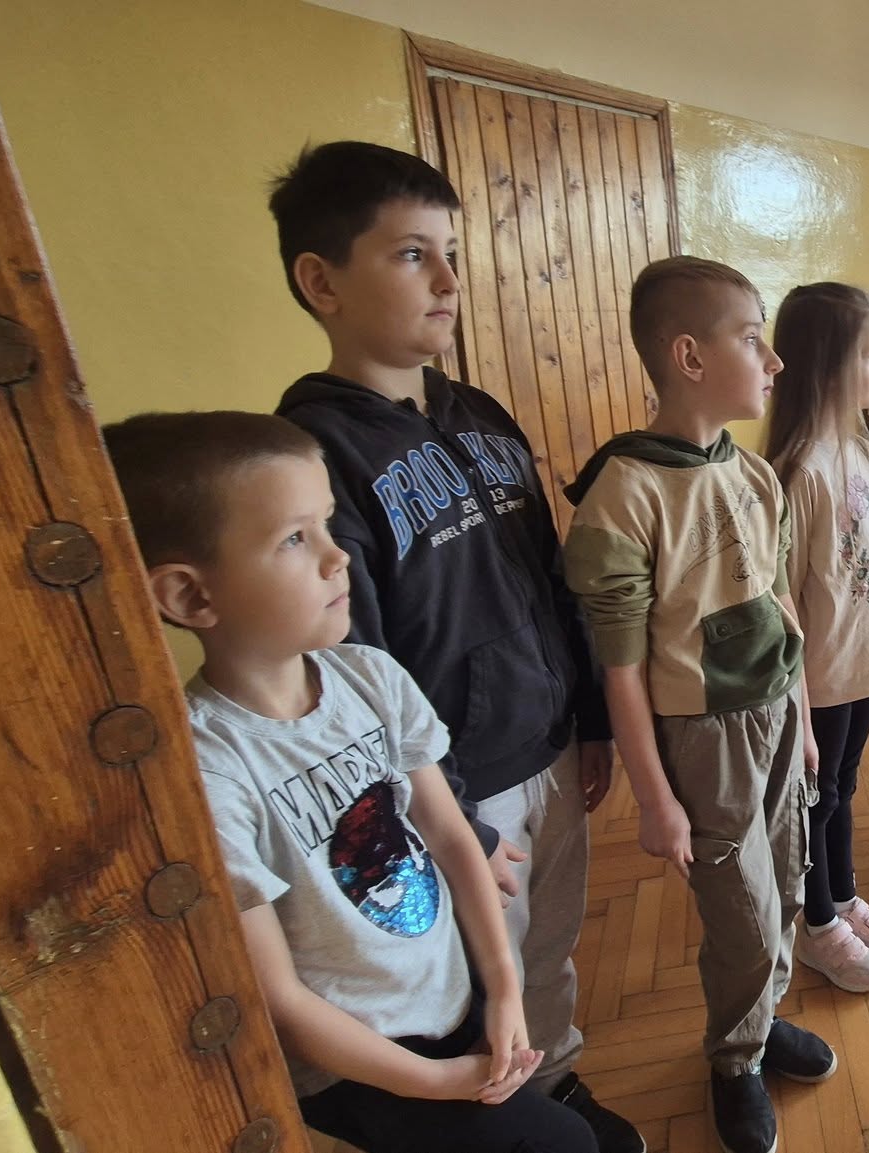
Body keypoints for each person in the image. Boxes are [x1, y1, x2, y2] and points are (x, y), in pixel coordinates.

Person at [265, 141, 638, 1151]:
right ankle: (500, 1107)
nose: (447, 279)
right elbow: (351, 663)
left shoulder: (480, 414)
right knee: (477, 976)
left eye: (452, 253)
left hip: (549, 743)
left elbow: (549, 574)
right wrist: (451, 818)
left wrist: (592, 718)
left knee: (549, 944)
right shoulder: (313, 453)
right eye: (410, 254)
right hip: (455, 788)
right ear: (321, 281)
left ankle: (550, 1077)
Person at [103, 412, 595, 1153]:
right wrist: (433, 1081)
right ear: (191, 597)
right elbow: (280, 996)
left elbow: (451, 836)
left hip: (450, 995)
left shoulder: (371, 677)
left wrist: (504, 987)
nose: (338, 558)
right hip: (360, 1064)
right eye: (294, 539)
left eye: (327, 524)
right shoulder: (207, 767)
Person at [562, 256, 835, 1153]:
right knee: (741, 911)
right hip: (702, 736)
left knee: (786, 881)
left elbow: (784, 607)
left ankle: (758, 1020)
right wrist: (655, 798)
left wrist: (802, 720)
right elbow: (622, 668)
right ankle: (734, 1059)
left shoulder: (753, 474)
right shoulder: (625, 493)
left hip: (777, 715)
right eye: (753, 338)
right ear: (689, 356)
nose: (774, 360)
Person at [763, 283, 869, 993]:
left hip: (864, 664)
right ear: (827, 365)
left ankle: (845, 895)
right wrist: (796, 705)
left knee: (843, 788)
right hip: (822, 678)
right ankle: (818, 921)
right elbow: (786, 602)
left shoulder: (857, 449)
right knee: (817, 799)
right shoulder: (798, 471)